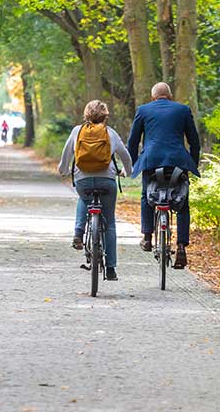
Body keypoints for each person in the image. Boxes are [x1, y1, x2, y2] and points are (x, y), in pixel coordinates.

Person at [127, 82, 200, 269]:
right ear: (170, 95)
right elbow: (194, 141)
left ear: (153, 97)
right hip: (177, 161)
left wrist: (134, 164)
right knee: (182, 203)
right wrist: (192, 163)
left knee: (146, 196)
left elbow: (133, 142)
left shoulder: (143, 110)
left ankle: (147, 237)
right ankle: (182, 246)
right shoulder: (183, 110)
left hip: (151, 161)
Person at [58, 100, 133, 281]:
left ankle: (78, 232)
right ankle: (111, 268)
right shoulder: (110, 133)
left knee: (84, 199)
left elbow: (66, 156)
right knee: (110, 224)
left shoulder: (77, 131)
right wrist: (127, 172)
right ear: (105, 116)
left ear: (86, 115)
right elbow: (126, 157)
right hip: (107, 181)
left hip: (83, 181)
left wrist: (64, 171)